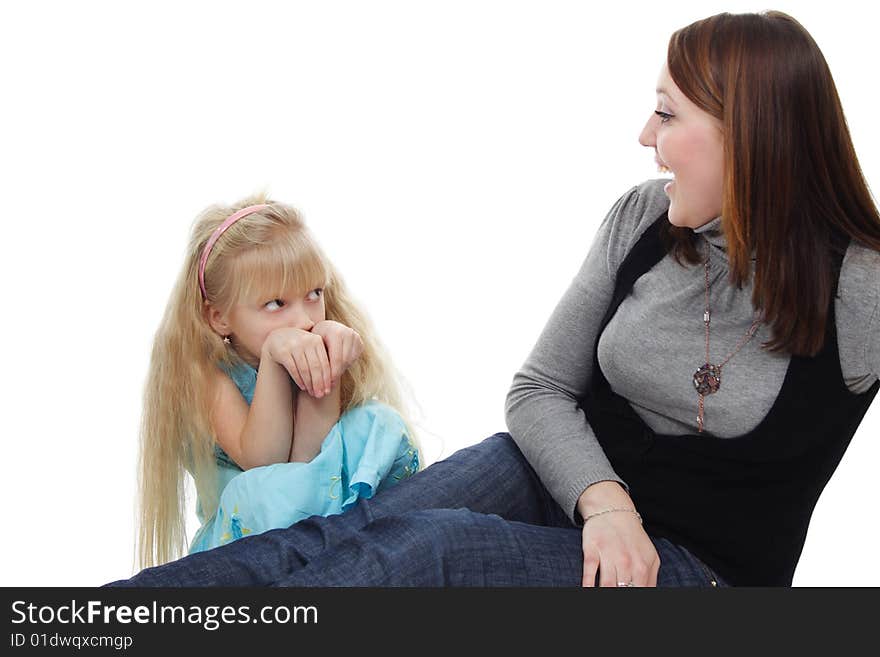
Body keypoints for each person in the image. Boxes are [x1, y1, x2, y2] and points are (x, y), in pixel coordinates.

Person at [106, 10, 879, 588]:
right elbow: (540, 388)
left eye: (669, 113)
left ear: (751, 134)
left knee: (422, 554)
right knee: (348, 530)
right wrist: (604, 501)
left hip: (690, 568)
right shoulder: (644, 216)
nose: (644, 133)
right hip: (557, 480)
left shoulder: (862, 289)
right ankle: (96, 624)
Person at [134, 193, 421, 569]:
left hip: (313, 497)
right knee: (255, 491)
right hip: (252, 533)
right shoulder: (208, 376)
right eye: (275, 304)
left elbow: (309, 461)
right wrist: (272, 359)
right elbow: (265, 462)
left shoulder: (311, 339)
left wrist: (328, 369)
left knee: (375, 421)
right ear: (219, 317)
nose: (304, 318)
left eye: (314, 294)